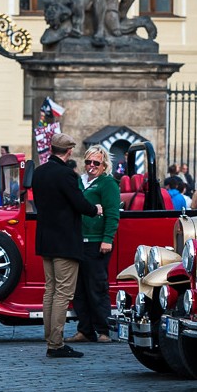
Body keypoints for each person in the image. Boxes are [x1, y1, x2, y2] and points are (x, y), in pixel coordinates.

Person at [31, 132, 102, 358]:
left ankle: (50, 338)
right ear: (69, 151)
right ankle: (56, 343)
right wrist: (96, 209)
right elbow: (79, 203)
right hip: (65, 242)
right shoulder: (66, 174)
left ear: (51, 148)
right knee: (62, 293)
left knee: (50, 291)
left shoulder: (39, 172)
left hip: (45, 239)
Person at [67, 145, 120, 344]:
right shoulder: (80, 181)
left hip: (97, 242)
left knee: (96, 287)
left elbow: (113, 214)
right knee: (79, 288)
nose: (91, 166)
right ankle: (85, 329)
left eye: (96, 163)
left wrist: (108, 239)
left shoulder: (107, 184)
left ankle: (104, 329)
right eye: (88, 162)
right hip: (78, 240)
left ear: (104, 164)